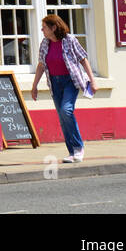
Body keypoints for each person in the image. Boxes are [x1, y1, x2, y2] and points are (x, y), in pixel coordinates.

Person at [31, 14, 96, 162]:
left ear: (54, 27)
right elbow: (41, 65)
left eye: (44, 27)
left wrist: (93, 81)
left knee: (66, 111)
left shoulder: (69, 40)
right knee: (62, 117)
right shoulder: (45, 43)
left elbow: (83, 59)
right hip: (54, 83)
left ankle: (78, 148)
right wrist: (34, 86)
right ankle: (72, 152)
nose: (42, 30)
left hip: (70, 81)